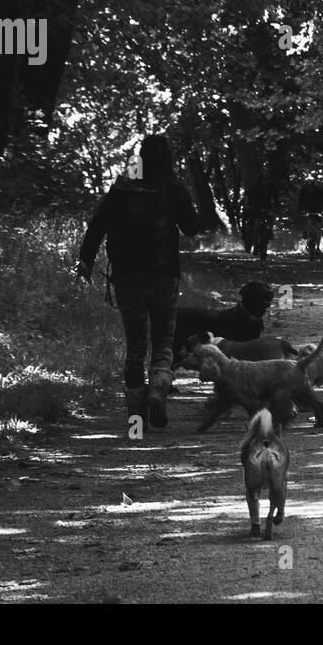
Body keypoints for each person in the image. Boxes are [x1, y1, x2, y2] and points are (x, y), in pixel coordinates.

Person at [78, 134, 201, 430]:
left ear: (141, 157)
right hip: (164, 276)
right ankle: (158, 388)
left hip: (127, 277)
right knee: (163, 341)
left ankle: (136, 413)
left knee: (135, 344)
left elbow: (97, 225)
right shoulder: (172, 187)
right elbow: (193, 227)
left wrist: (85, 262)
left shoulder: (122, 188)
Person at [297, 180, 323, 260]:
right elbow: (300, 202)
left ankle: (317, 247)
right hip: (309, 211)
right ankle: (306, 235)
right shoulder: (304, 190)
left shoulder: (318, 190)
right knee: (308, 225)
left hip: (316, 211)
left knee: (317, 229)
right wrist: (300, 210)